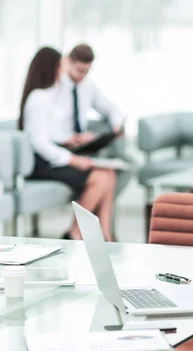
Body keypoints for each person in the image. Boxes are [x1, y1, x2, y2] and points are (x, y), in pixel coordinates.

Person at [19, 47, 117, 241]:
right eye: (61, 66)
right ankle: (76, 232)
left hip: (54, 155)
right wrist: (73, 159)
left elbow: (49, 132)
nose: (63, 72)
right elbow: (39, 143)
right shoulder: (38, 98)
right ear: (52, 68)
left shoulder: (48, 96)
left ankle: (106, 236)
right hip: (42, 162)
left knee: (108, 174)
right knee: (99, 178)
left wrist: (69, 140)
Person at [59, 43, 134, 196]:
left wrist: (116, 126)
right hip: (64, 148)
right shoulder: (55, 88)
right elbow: (48, 129)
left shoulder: (87, 87)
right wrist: (70, 138)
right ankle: (93, 210)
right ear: (68, 62)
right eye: (80, 70)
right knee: (105, 176)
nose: (82, 76)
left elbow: (114, 110)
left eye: (87, 71)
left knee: (128, 164)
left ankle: (97, 209)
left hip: (85, 148)